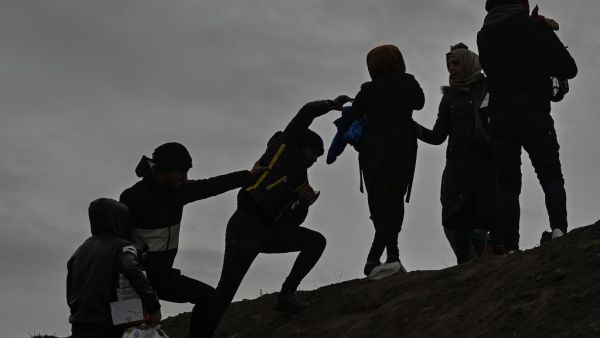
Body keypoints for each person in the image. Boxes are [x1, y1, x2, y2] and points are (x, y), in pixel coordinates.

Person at [208, 96, 352, 334]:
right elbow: (306, 112)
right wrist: (331, 105)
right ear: (301, 145)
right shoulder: (283, 147)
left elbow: (294, 221)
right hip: (246, 223)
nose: (315, 160)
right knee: (226, 290)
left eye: (318, 156)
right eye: (313, 153)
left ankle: (286, 295)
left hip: (268, 230)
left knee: (315, 241)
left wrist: (303, 203)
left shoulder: (300, 179)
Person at [119, 142, 263, 338]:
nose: (185, 178)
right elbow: (118, 241)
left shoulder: (179, 191)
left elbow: (213, 185)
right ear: (166, 169)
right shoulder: (134, 197)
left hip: (162, 277)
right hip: (131, 282)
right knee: (128, 332)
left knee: (208, 297)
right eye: (182, 172)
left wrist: (247, 176)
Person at [477, 0, 577, 252]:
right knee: (551, 174)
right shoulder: (537, 29)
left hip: (501, 117)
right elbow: (569, 68)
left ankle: (510, 245)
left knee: (508, 184)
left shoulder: (484, 35)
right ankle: (559, 231)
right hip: (535, 112)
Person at [339, 44, 425, 279]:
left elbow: (353, 116)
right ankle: (376, 259)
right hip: (400, 148)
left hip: (371, 153)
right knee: (394, 202)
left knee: (379, 204)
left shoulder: (366, 91)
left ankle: (392, 257)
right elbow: (419, 102)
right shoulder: (406, 82)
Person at [414, 43, 500, 264]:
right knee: (455, 217)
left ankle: (484, 267)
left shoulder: (489, 87)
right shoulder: (450, 97)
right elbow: (437, 136)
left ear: (469, 63)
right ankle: (466, 267)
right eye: (448, 64)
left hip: (485, 164)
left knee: (483, 219)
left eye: (456, 63)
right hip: (457, 168)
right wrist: (412, 127)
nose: (451, 68)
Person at [67, 198, 161, 338]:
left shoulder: (79, 252)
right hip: (109, 325)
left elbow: (70, 292)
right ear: (117, 221)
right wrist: (154, 307)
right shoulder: (123, 247)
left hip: (79, 324)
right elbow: (132, 269)